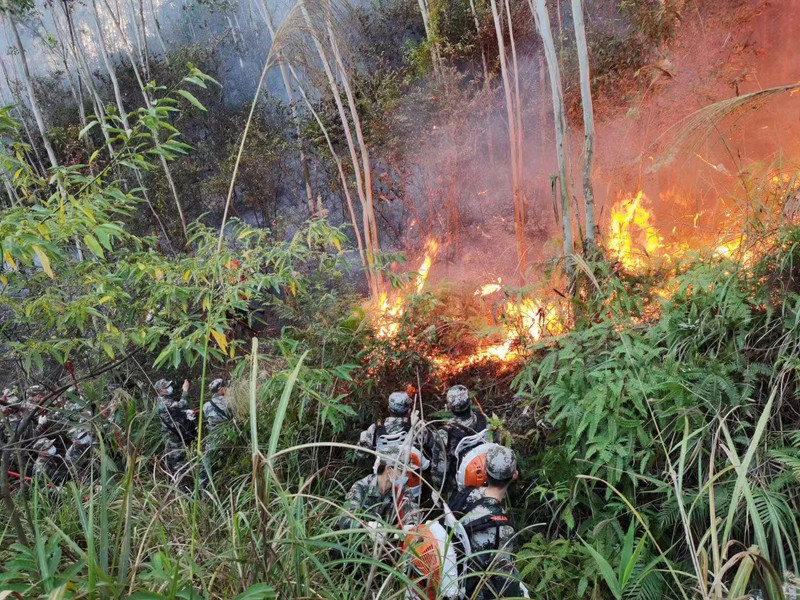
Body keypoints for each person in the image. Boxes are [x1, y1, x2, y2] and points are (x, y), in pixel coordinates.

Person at [450, 445, 525, 599]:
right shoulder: (502, 528)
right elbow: (505, 580)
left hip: (455, 573)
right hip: (475, 591)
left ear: (484, 471)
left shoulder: (467, 495)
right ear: (514, 475)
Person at [337, 445, 421, 536]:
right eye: (403, 471)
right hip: (358, 543)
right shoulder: (361, 487)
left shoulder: (402, 490)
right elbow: (344, 519)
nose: (407, 476)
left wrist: (410, 526)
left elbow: (412, 510)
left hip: (387, 543)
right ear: (389, 470)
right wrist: (367, 528)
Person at [431, 385, 489, 500]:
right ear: (470, 401)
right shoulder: (484, 419)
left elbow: (440, 473)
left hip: (459, 489)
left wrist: (438, 490)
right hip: (487, 479)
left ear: (449, 406)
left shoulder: (445, 433)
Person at [155, 378, 196, 478]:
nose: (170, 388)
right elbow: (182, 404)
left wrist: (185, 413)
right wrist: (185, 391)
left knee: (172, 456)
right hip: (172, 434)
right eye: (166, 387)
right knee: (177, 457)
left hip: (172, 432)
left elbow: (175, 412)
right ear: (161, 391)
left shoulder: (164, 400)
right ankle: (182, 481)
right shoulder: (164, 402)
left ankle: (173, 478)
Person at [357, 391, 414, 458]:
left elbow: (360, 454)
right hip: (410, 466)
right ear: (409, 410)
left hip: (383, 467)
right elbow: (429, 444)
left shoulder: (374, 429)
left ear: (388, 409)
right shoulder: (416, 426)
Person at [199, 378, 230, 485]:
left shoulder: (206, 406)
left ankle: (202, 489)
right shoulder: (230, 401)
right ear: (221, 390)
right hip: (229, 437)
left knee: (207, 465)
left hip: (213, 439)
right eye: (226, 387)